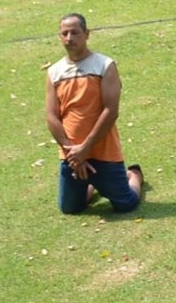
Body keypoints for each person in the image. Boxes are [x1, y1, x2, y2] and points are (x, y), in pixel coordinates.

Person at [46, 13, 145, 214]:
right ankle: (91, 184)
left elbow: (111, 111)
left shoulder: (104, 65)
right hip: (72, 155)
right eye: (64, 33)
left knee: (125, 204)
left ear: (87, 34)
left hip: (103, 152)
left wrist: (86, 147)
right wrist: (73, 153)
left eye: (75, 32)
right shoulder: (54, 72)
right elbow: (52, 116)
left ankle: (134, 175)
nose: (69, 38)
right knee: (70, 208)